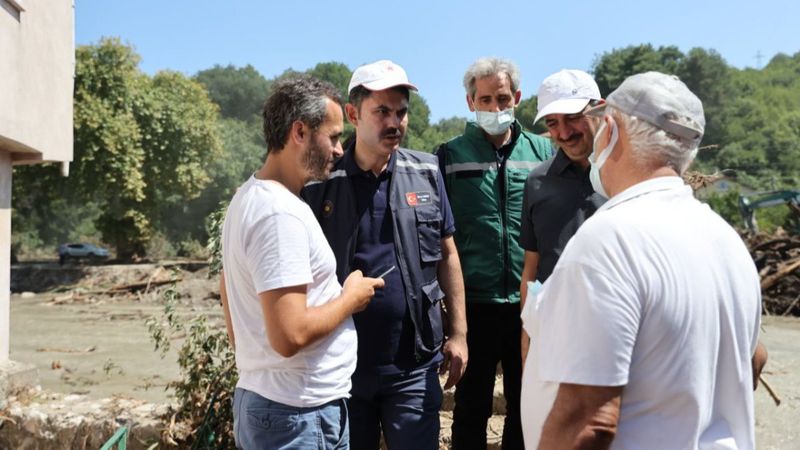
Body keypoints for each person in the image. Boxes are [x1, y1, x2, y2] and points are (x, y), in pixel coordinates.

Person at [521, 71, 767, 449]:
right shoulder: (726, 241)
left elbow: (589, 423)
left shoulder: (608, 240)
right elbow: (753, 359)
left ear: (612, 128)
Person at [302, 60, 468, 450]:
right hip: (341, 367)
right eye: (382, 112)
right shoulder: (319, 184)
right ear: (354, 114)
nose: (395, 122)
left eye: (401, 112)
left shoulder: (427, 173)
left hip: (414, 362)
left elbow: (448, 254)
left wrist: (459, 333)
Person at [220, 75, 384, 449]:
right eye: (334, 136)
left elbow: (225, 286)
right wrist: (350, 298)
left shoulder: (249, 198)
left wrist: (255, 354)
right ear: (299, 132)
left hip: (281, 405)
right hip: (296, 416)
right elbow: (290, 335)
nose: (341, 149)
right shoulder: (280, 215)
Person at [436, 57, 552, 450]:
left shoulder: (544, 152)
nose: (493, 108)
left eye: (501, 98)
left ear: (517, 97)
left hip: (528, 302)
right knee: (470, 406)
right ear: (470, 102)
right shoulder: (448, 156)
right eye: (484, 99)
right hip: (475, 304)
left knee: (526, 404)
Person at [519, 69, 607, 364]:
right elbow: (531, 269)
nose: (564, 133)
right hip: (555, 334)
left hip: (617, 327)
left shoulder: (628, 175)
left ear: (601, 108)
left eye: (572, 117)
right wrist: (527, 330)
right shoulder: (537, 182)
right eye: (552, 123)